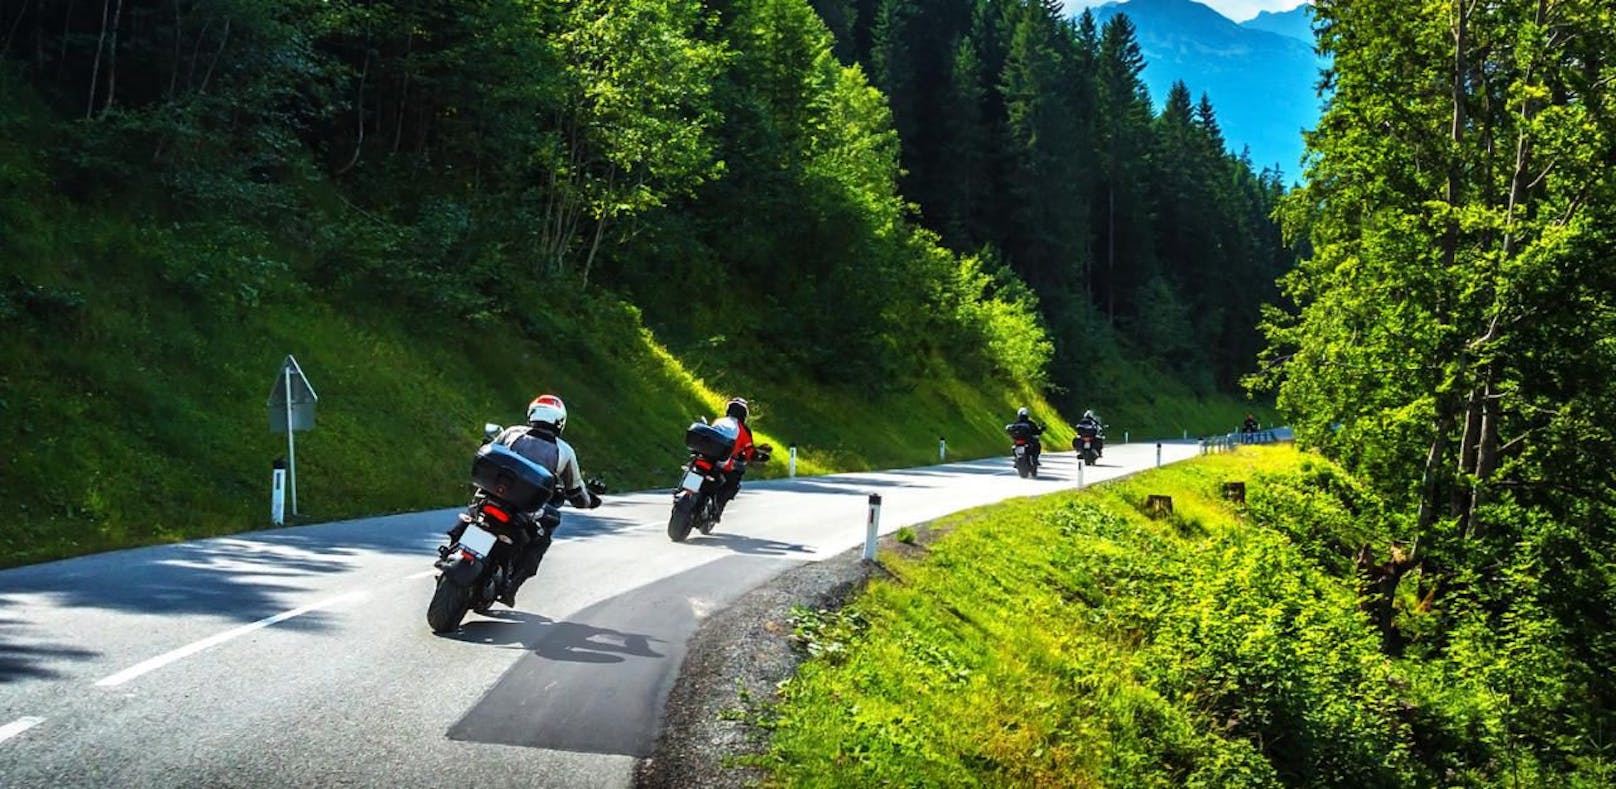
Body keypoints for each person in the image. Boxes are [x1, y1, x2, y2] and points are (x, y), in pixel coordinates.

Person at [448, 394, 601, 607]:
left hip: (492, 496)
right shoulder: (564, 451)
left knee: (473, 515)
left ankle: (453, 548)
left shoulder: (512, 432)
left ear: (532, 413)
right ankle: (512, 586)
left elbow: (491, 450)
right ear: (560, 421)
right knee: (543, 534)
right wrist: (590, 502)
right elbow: (576, 490)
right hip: (524, 509)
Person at [712, 397, 760, 521]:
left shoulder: (718, 421)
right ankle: (717, 507)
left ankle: (682, 492)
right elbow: (749, 451)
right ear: (744, 415)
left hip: (707, 456)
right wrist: (756, 457)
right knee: (733, 482)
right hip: (723, 462)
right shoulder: (743, 430)